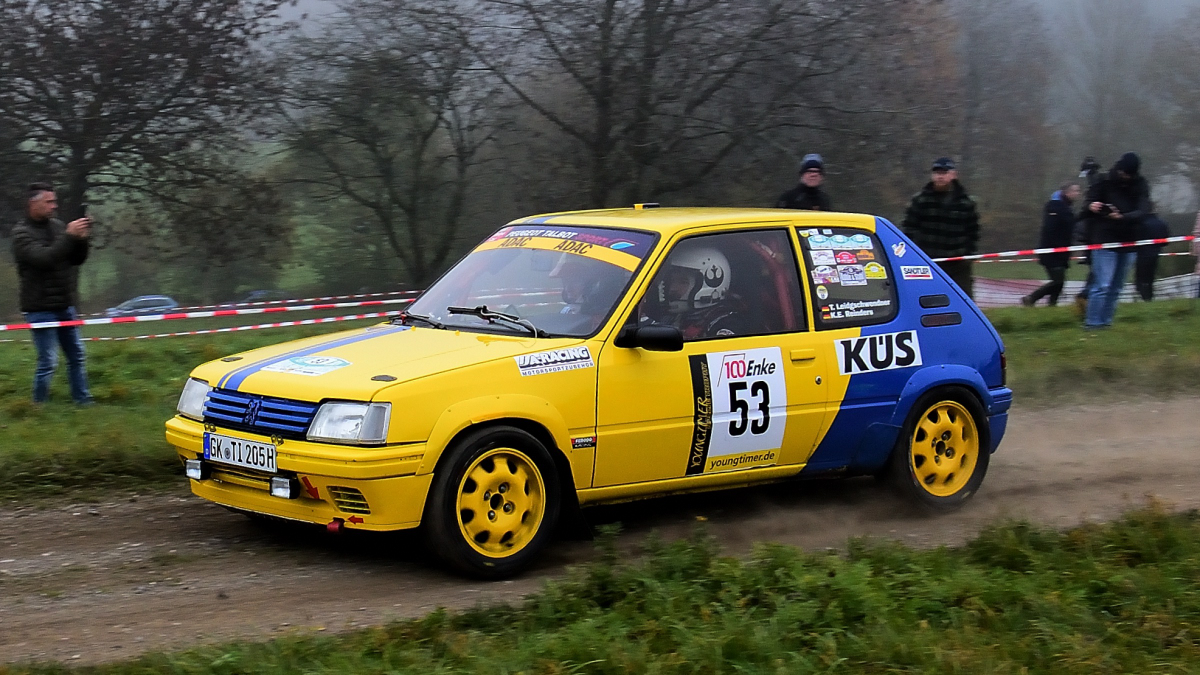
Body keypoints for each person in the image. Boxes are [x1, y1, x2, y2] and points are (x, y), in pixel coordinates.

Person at [10, 183, 94, 404]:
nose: (54, 206)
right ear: (33, 203)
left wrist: (82, 239)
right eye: (48, 202)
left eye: (54, 201)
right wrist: (69, 236)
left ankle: (83, 400)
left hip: (65, 304)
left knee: (77, 355)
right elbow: (44, 259)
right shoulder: (21, 234)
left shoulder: (58, 226)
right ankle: (39, 405)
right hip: (39, 308)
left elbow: (76, 260)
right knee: (48, 361)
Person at [1081, 152, 1151, 329]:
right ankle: (1092, 324)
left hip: (1128, 242)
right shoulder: (1103, 181)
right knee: (1102, 286)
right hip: (1104, 240)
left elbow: (1143, 211)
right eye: (1123, 172)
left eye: (1128, 174)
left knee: (1116, 288)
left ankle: (1106, 323)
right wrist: (1093, 206)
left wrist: (1122, 217)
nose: (1125, 176)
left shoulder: (1141, 185)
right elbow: (1086, 206)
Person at [901, 157, 980, 299]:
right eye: (937, 172)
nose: (940, 176)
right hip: (927, 261)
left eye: (944, 172)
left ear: (953, 175)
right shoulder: (920, 200)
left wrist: (968, 254)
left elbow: (973, 231)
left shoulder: (966, 203)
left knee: (964, 301)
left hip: (958, 263)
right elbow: (909, 229)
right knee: (924, 299)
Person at [643, 244, 744, 339]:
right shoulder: (675, 318)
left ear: (710, 285)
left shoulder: (726, 325)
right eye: (672, 281)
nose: (673, 288)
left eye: (683, 282)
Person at [1023, 181, 1081, 307]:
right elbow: (1051, 230)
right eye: (1076, 191)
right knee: (1058, 281)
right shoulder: (1055, 207)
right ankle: (1031, 298)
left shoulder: (1066, 207)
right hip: (1052, 252)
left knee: (1059, 283)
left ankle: (1051, 306)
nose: (1078, 193)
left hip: (1062, 252)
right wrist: (1058, 247)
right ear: (1067, 192)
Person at [1073, 157, 1104, 313]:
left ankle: (1086, 297)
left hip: (1093, 235)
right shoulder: (1096, 186)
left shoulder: (1097, 186)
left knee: (1097, 270)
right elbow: (1087, 211)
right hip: (1094, 236)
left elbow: (1086, 212)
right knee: (1098, 271)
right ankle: (1085, 296)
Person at [1133, 205, 1169, 301]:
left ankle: (1142, 294)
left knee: (1140, 277)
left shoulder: (1140, 223)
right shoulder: (1162, 223)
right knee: (1150, 276)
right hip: (1155, 253)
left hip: (1141, 253)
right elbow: (1165, 242)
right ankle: (1149, 296)